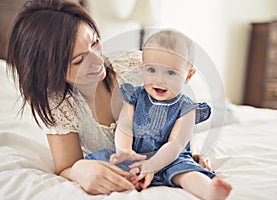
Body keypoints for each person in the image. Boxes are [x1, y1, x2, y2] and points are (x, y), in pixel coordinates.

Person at [6, 0, 212, 196]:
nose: (97, 60)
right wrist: (80, 171)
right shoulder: (60, 104)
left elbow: (175, 111)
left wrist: (189, 153)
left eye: (95, 42)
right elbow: (66, 166)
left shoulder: (134, 67)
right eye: (79, 60)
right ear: (49, 71)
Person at [86, 30, 232, 200]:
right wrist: (125, 151)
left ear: (188, 76)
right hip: (137, 155)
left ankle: (209, 190)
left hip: (171, 158)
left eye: (170, 73)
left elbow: (176, 144)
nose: (159, 79)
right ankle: (133, 180)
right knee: (105, 162)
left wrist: (153, 165)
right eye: (152, 70)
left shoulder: (187, 108)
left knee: (186, 172)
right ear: (143, 68)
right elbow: (125, 126)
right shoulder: (134, 97)